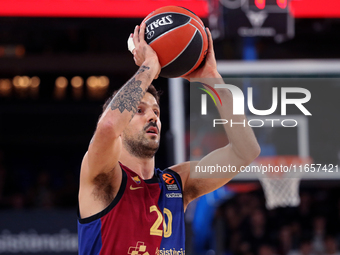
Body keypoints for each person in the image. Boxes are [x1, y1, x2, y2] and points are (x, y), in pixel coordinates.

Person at [77, 22, 260, 255]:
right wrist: (149, 67)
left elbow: (246, 151)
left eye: (156, 112)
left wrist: (212, 80)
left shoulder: (177, 183)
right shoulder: (102, 175)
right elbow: (109, 125)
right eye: (140, 111)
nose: (152, 117)